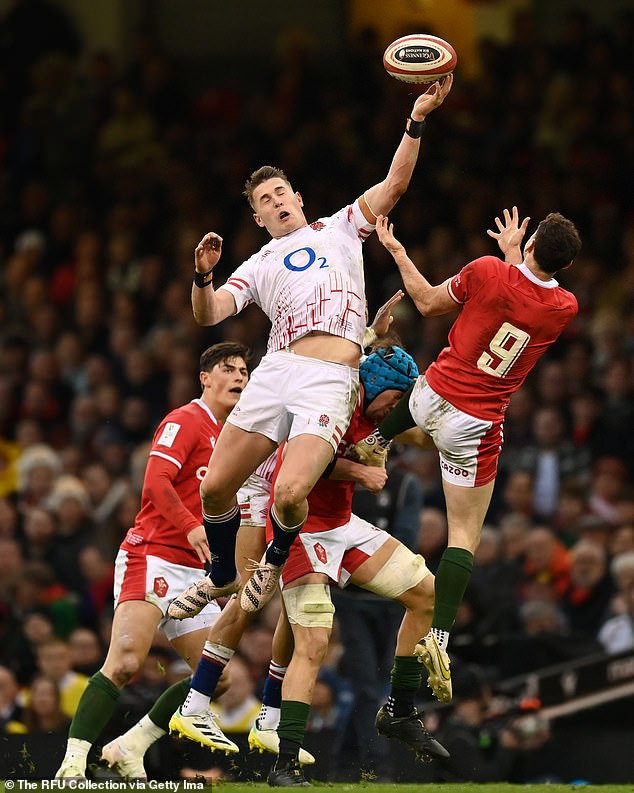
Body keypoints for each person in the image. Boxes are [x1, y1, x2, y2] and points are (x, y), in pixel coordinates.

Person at [176, 77, 453, 618]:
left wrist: (416, 118)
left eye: (281, 193)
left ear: (298, 199)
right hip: (277, 369)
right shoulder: (257, 263)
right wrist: (202, 275)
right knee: (213, 489)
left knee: (288, 492)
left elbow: (394, 184)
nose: (276, 202)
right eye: (264, 201)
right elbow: (208, 315)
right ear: (257, 219)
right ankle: (221, 578)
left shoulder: (343, 227)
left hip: (330, 379)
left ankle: (273, 560)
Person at [170, 344, 450, 787]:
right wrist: (360, 472)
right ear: (373, 387)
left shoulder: (376, 407)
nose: (393, 412)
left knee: (425, 592)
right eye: (393, 401)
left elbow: (414, 430)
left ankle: (397, 710)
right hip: (297, 529)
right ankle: (283, 762)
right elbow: (294, 470)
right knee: (308, 638)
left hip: (341, 525)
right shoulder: (331, 401)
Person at [351, 207, 582, 702]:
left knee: (411, 380)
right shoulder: (565, 308)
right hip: (473, 424)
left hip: (430, 393)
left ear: (534, 241)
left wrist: (397, 250)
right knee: (465, 537)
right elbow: (526, 295)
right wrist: (519, 256)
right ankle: (439, 636)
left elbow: (428, 302)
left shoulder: (486, 270)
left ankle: (378, 439)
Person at [55, 342, 250, 779]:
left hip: (197, 573)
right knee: (125, 660)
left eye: (244, 370)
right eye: (228, 369)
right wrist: (190, 526)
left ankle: (131, 745)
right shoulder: (185, 419)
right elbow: (155, 483)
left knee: (216, 679)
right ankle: (71, 763)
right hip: (154, 554)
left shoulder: (237, 437)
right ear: (205, 377)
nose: (239, 376)